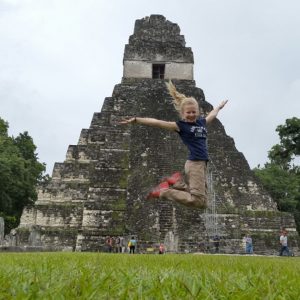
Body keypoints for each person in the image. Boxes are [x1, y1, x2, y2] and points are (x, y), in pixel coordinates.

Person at [120, 81, 228, 208]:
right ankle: (164, 192)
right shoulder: (180, 126)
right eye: (188, 112)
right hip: (195, 164)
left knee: (204, 202)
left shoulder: (201, 123)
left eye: (194, 112)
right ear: (183, 113)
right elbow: (157, 122)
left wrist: (219, 107)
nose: (192, 115)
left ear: (198, 112)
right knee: (198, 201)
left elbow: (212, 115)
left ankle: (177, 183)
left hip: (202, 164)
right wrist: (137, 120)